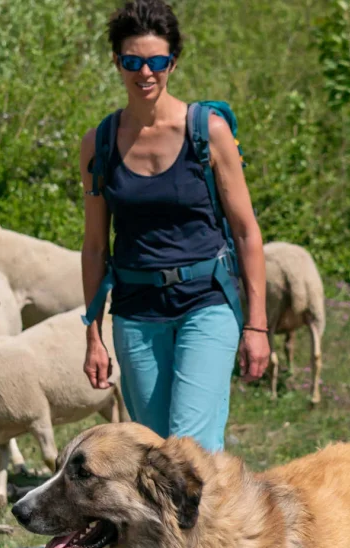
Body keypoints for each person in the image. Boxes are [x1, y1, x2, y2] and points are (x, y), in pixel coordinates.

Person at [80, 0, 269, 452]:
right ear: (116, 62)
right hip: (136, 311)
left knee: (192, 449)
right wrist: (93, 334)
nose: (145, 73)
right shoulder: (99, 142)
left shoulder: (208, 131)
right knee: (154, 451)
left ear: (173, 62)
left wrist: (257, 326)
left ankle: (216, 526)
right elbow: (93, 247)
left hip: (206, 303)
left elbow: (246, 231)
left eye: (156, 61)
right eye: (132, 61)